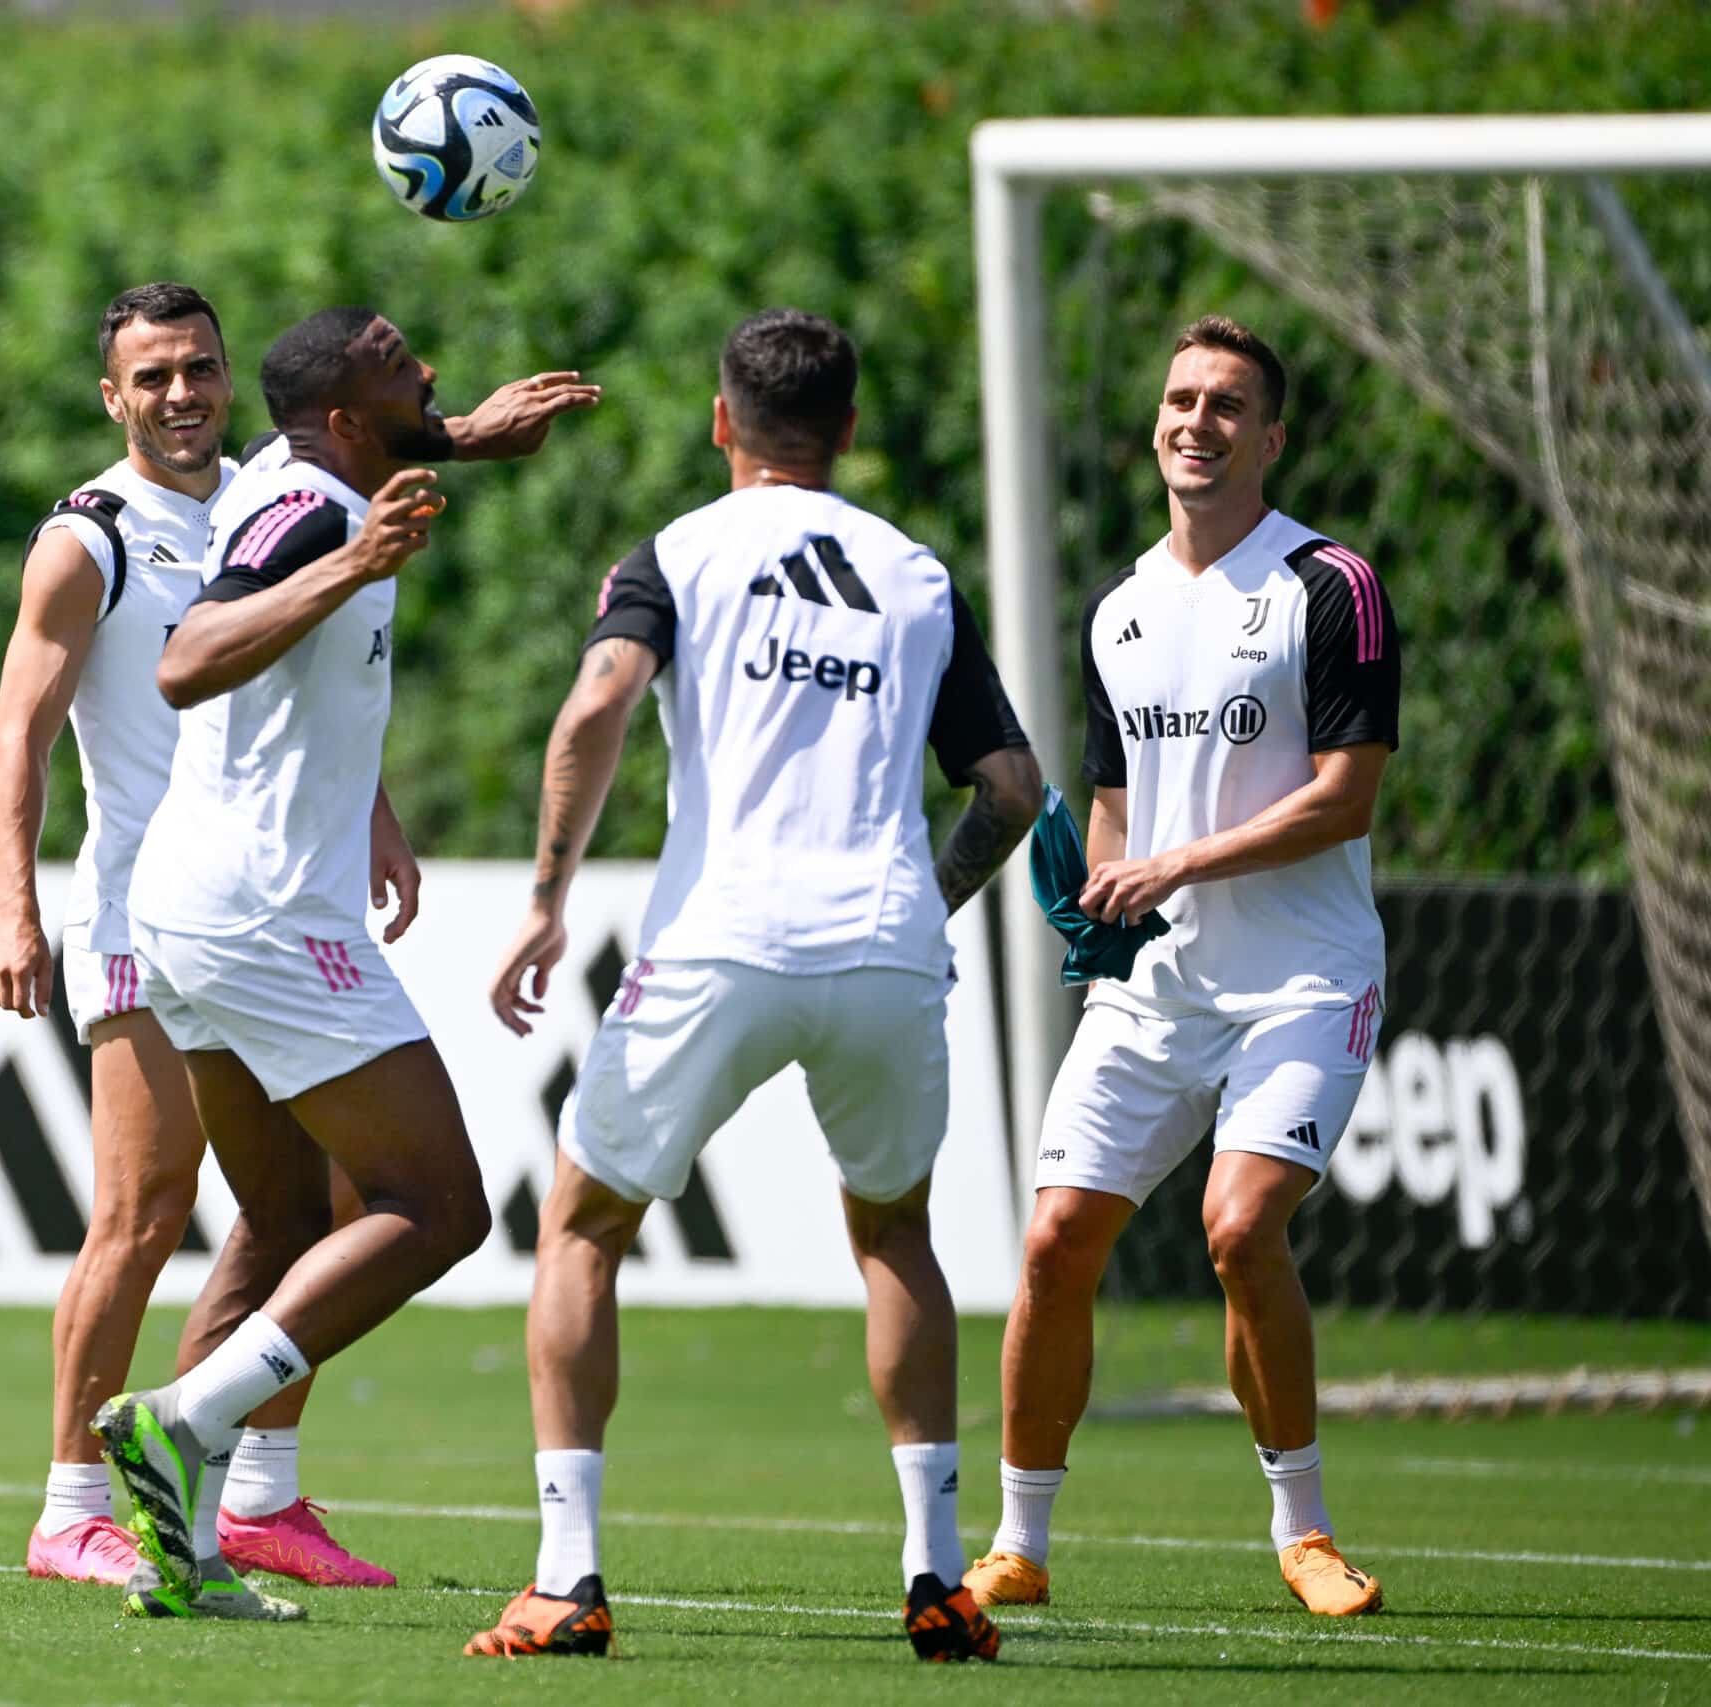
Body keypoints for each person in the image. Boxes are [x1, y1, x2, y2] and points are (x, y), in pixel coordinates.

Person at [465, 307, 1042, 1664]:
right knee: (894, 1237)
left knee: (584, 1226)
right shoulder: (915, 573)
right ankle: (939, 1574)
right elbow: (1010, 792)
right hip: (887, 950)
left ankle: (567, 1579)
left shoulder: (674, 554)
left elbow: (597, 709)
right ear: (848, 431)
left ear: (723, 422)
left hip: (719, 945)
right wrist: (918, 903)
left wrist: (547, 903)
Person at [93, 307, 599, 1621]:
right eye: (396, 364)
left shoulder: (301, 472)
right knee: (436, 1206)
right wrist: (352, 560)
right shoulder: (316, 515)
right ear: (345, 421)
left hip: (202, 910)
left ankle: (185, 1555)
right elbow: (186, 658)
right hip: (267, 918)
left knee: (279, 1224)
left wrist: (469, 438)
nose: (426, 366)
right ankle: (187, 1419)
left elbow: (335, 460)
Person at [963, 315, 1399, 1619]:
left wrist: (1176, 865)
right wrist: (1106, 913)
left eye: (1226, 405)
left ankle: (1304, 1532)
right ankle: (1020, 1544)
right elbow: (1115, 808)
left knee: (1238, 1223)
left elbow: (1347, 800)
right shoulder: (1122, 612)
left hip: (1305, 978)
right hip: (1158, 985)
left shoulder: (1331, 583)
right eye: (1179, 399)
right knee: (1053, 1242)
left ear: (1270, 437)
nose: (1195, 421)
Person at [0, 283, 394, 1598]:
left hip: (260, 908)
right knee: (146, 1212)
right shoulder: (89, 538)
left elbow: (296, 676)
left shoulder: (267, 498)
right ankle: (70, 1507)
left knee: (317, 1203)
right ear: (112, 397)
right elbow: (20, 733)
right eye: (150, 376)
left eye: (198, 369)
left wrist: (376, 811)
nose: (180, 395)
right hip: (143, 924)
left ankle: (259, 1493)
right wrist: (12, 905)